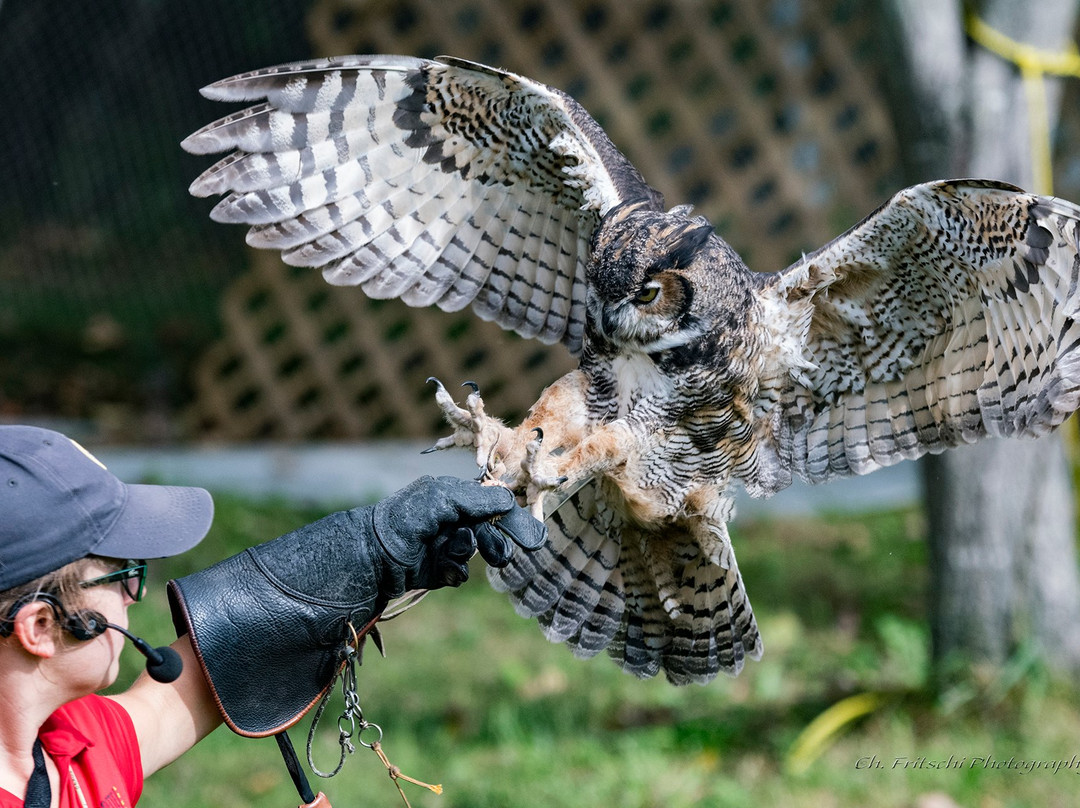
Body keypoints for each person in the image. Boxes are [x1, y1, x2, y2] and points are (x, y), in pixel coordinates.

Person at [0, 424, 544, 807]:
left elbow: (179, 698)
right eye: (121, 575)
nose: (134, 597)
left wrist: (369, 551)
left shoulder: (65, 748)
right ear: (41, 628)